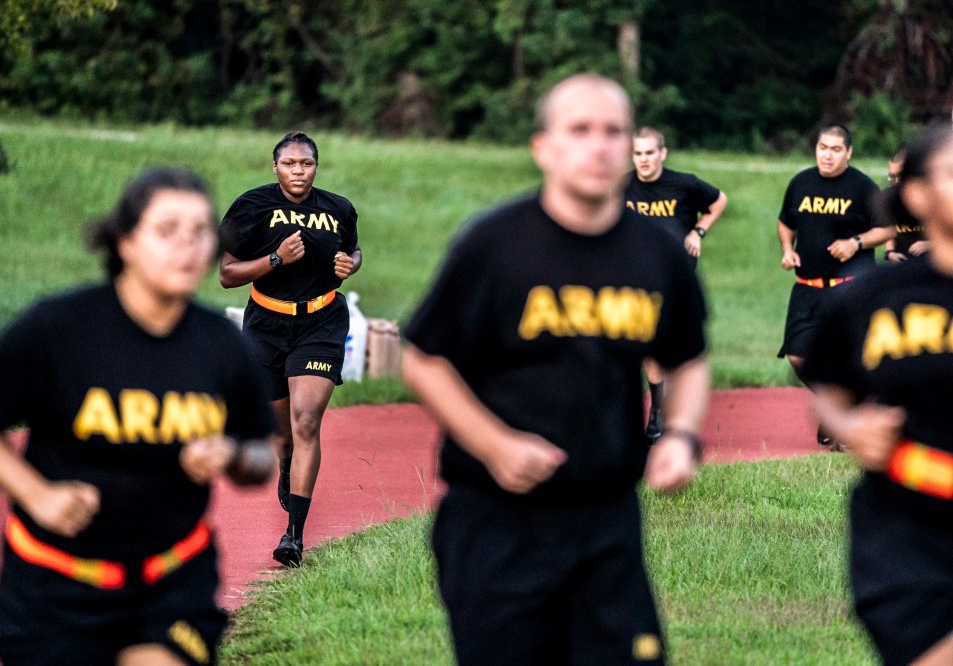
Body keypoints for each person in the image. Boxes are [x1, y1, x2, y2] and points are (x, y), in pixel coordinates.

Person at [402, 73, 710, 665]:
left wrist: (683, 436)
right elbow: (424, 358)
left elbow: (688, 358)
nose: (600, 146)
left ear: (632, 147)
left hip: (606, 522)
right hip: (497, 523)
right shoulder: (494, 246)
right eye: (581, 130)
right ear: (544, 147)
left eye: (614, 132)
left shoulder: (655, 253)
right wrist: (494, 445)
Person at [0, 167, 277, 665]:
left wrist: (231, 453)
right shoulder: (60, 328)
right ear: (125, 241)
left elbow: (261, 456)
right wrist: (37, 495)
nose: (187, 245)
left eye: (200, 231)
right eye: (167, 230)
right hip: (55, 588)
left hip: (171, 580)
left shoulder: (223, 345)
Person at [803, 124, 953, 666]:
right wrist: (848, 427)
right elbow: (830, 392)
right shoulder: (872, 299)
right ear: (917, 195)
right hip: (906, 533)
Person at [218, 131, 361, 568]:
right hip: (265, 324)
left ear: (316, 167)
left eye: (307, 164)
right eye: (290, 164)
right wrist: (276, 259)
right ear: (275, 167)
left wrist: (349, 264)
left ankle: (294, 537)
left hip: (321, 322)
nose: (299, 171)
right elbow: (226, 274)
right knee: (282, 432)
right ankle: (286, 461)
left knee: (306, 420)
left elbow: (352, 251)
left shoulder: (338, 209)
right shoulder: (250, 207)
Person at [776, 124, 894, 450]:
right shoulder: (801, 182)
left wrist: (856, 242)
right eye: (822, 147)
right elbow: (785, 222)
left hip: (847, 288)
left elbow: (886, 229)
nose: (827, 155)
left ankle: (841, 422)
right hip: (807, 286)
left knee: (851, 358)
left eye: (835, 149)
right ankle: (840, 412)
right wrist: (787, 249)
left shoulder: (861, 187)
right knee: (798, 356)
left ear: (848, 152)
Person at [625, 126, 728, 441]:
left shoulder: (684, 184)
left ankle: (676, 416)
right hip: (636, 277)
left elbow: (719, 201)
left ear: (662, 153)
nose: (644, 160)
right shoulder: (621, 186)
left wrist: (698, 231)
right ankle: (657, 412)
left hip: (677, 278)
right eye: (638, 154)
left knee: (675, 349)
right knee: (647, 348)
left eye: (649, 153)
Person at [880, 145, 930, 263]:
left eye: (900, 176)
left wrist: (929, 244)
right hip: (901, 262)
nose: (896, 181)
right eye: (892, 177)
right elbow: (888, 228)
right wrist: (890, 252)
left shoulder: (933, 196)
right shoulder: (889, 197)